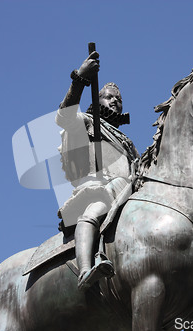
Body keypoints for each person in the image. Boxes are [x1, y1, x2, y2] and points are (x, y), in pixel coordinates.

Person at [55, 51, 139, 291]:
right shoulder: (87, 122)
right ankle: (84, 269)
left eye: (119, 99)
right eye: (110, 97)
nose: (115, 101)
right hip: (99, 190)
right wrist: (79, 79)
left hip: (127, 193)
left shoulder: (126, 140)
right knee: (94, 213)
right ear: (98, 100)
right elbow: (64, 117)